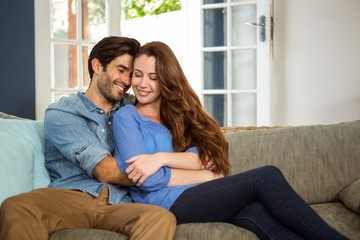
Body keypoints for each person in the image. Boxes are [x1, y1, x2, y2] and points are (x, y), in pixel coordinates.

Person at [112, 41, 348, 240]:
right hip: (162, 204)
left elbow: (206, 157)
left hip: (199, 194)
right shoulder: (126, 117)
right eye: (138, 74)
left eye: (153, 77)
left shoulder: (177, 114)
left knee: (255, 214)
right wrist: (203, 174)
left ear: (166, 79)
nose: (142, 84)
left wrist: (160, 158)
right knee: (265, 177)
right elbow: (147, 179)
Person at [0, 36, 176, 240]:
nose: (127, 82)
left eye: (131, 74)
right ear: (97, 66)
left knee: (160, 218)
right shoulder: (63, 113)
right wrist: (168, 175)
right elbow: (105, 170)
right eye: (120, 70)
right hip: (73, 196)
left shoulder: (135, 108)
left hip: (122, 203)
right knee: (17, 207)